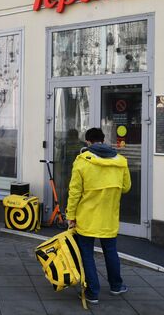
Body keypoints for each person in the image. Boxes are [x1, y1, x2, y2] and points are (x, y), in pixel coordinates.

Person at [66, 127, 131, 304]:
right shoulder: (121, 161)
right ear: (103, 140)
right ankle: (116, 286)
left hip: (86, 217)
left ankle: (92, 293)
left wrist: (70, 215)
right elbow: (126, 187)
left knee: (86, 254)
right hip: (109, 217)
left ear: (87, 142)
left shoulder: (82, 162)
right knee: (111, 252)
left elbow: (74, 192)